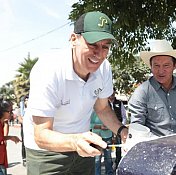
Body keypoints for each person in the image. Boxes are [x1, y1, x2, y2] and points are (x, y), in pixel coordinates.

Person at [23, 11, 128, 175]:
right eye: (92, 44)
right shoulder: (48, 69)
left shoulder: (104, 68)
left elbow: (102, 109)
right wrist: (75, 141)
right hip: (46, 152)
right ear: (73, 40)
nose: (99, 54)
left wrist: (122, 131)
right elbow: (41, 134)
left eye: (105, 47)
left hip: (83, 147)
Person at [128, 39, 176, 137]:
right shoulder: (142, 92)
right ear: (151, 67)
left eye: (166, 65)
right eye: (156, 66)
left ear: (174, 66)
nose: (161, 71)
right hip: (154, 146)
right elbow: (137, 127)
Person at [0, 100, 21, 175]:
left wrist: (10, 137)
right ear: (2, 112)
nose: (11, 114)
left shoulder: (2, 123)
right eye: (10, 111)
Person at [108, 88, 127, 168]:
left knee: (118, 149)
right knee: (108, 149)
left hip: (118, 129)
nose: (112, 94)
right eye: (110, 92)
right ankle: (109, 167)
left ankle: (118, 165)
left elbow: (124, 116)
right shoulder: (104, 103)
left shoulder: (119, 103)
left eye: (113, 92)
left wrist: (121, 128)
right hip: (107, 129)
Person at [17, 95, 28, 166]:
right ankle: (24, 158)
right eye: (26, 100)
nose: (27, 101)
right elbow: (20, 119)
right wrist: (27, 123)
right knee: (24, 143)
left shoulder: (32, 108)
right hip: (24, 128)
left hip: (32, 129)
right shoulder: (20, 109)